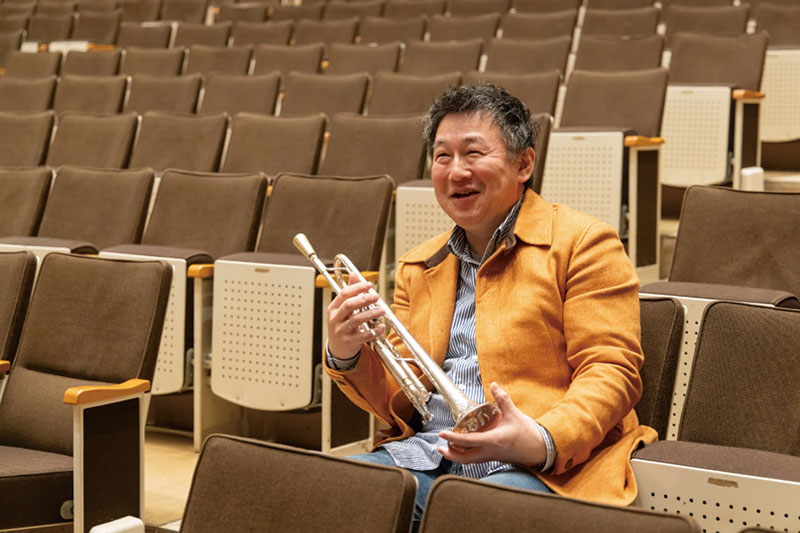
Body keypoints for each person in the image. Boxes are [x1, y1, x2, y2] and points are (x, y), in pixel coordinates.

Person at [324, 84, 657, 526]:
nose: (456, 171)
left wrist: (541, 438)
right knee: (325, 492)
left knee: (471, 514)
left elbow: (611, 370)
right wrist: (345, 352)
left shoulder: (583, 243)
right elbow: (400, 400)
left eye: (473, 153)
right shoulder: (418, 265)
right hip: (429, 452)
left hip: (542, 465)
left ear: (524, 164)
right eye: (443, 156)